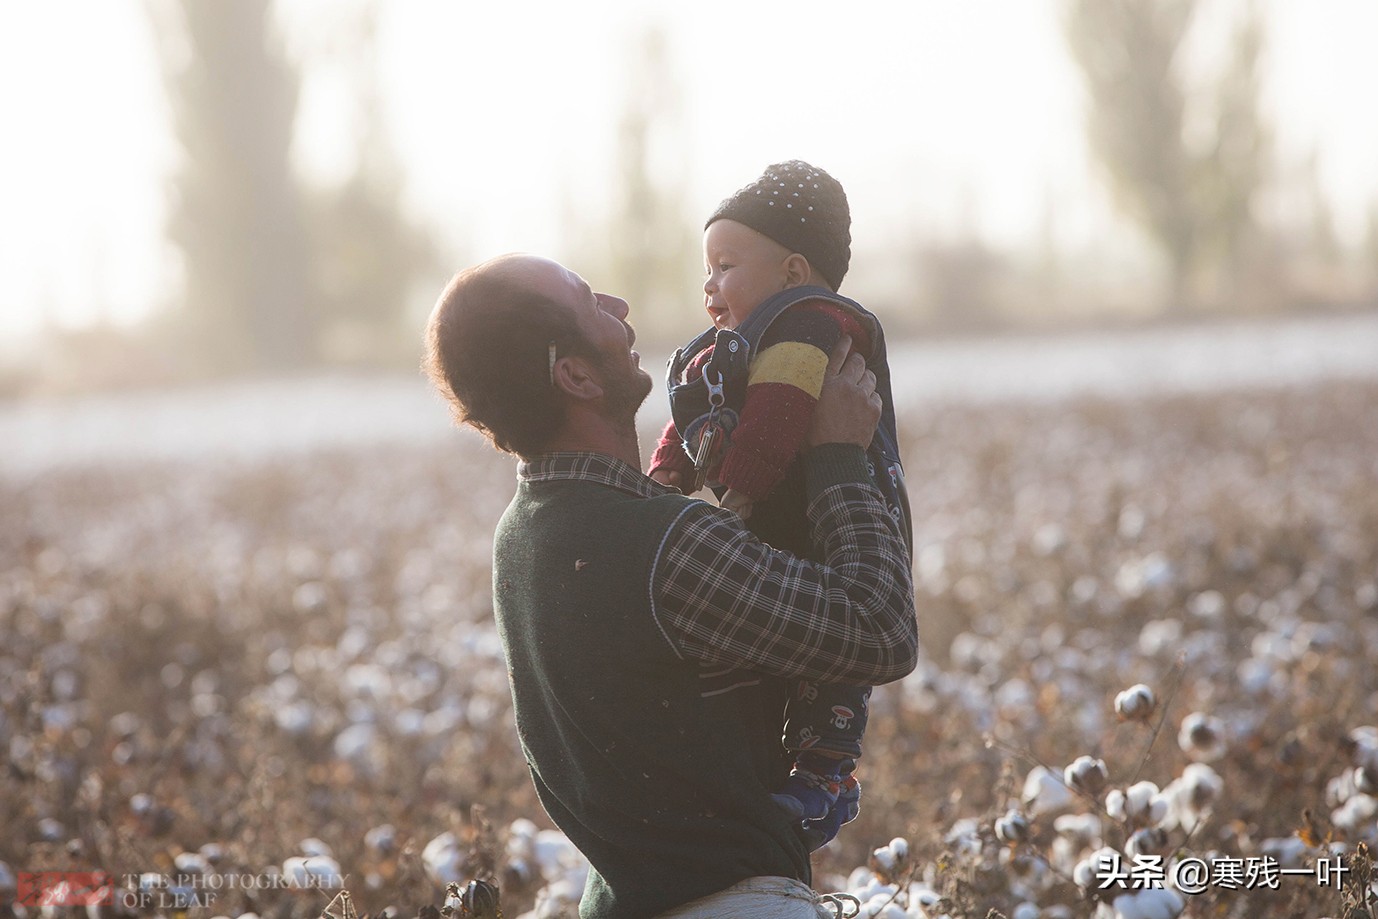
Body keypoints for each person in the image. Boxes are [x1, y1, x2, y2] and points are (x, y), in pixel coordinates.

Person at [423, 253, 917, 919]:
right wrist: (838, 455)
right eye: (591, 302)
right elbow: (881, 631)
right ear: (574, 375)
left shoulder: (521, 536)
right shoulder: (665, 542)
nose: (619, 306)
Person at [647, 160, 912, 844]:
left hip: (835, 520)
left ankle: (827, 777)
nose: (709, 284)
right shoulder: (734, 347)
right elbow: (694, 415)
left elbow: (774, 418)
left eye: (726, 266)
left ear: (793, 272)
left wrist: (737, 493)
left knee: (834, 673)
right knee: (792, 652)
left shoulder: (808, 328)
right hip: (788, 521)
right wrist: (665, 475)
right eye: (707, 269)